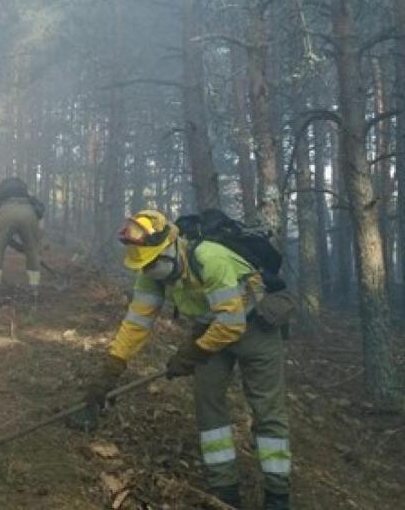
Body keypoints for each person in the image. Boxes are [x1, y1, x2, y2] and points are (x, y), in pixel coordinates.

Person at [81, 210, 291, 510]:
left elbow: (231, 324)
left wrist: (193, 352)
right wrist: (111, 369)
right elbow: (136, 324)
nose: (151, 269)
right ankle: (224, 491)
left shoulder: (209, 257)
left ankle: (278, 496)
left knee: (267, 411)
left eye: (154, 262)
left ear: (170, 245)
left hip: (257, 327)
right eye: (146, 265)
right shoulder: (150, 274)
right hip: (209, 331)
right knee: (208, 409)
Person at [0, 177, 45, 296]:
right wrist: (32, 244)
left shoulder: (2, 193)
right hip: (28, 212)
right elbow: (40, 212)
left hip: (6, 212)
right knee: (33, 252)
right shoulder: (27, 192)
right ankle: (34, 288)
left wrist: (4, 239)